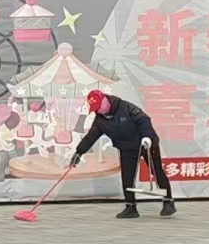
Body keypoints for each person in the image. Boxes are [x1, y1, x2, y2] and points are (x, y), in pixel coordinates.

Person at [70, 89, 176, 218]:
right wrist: (79, 152)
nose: (98, 111)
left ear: (105, 101)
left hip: (146, 143)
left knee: (156, 171)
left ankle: (168, 202)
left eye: (99, 107)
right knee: (127, 177)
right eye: (95, 109)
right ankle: (131, 207)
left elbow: (144, 120)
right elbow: (91, 137)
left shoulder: (125, 107)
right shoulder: (100, 120)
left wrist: (147, 136)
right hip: (127, 148)